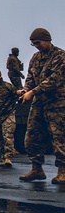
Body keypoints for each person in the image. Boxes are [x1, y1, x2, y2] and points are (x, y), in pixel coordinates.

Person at [18, 28, 65, 183]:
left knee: (59, 138)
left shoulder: (60, 56)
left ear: (47, 40)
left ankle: (63, 171)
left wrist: (32, 92)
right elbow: (30, 77)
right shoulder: (35, 57)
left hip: (57, 103)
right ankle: (36, 169)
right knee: (32, 136)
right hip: (39, 103)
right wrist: (25, 90)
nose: (36, 46)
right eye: (33, 44)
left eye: (38, 43)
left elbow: (53, 80)